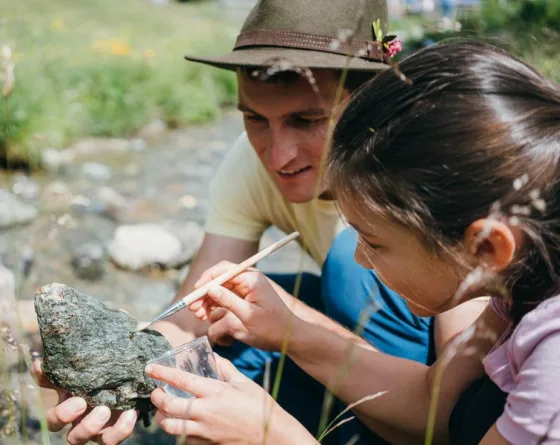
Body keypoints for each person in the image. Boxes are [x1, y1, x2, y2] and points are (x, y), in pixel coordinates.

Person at [31, 1, 487, 444]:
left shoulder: (434, 174)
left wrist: (293, 327)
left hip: (449, 401)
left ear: (371, 102)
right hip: (366, 343)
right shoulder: (251, 164)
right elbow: (189, 317)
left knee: (347, 272)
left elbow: (457, 410)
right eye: (255, 119)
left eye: (307, 120)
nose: (277, 155)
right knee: (227, 305)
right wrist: (120, 369)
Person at [147, 40, 560, 444]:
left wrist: (273, 433)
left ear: (486, 248)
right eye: (256, 119)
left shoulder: (553, 368)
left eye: (375, 243)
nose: (362, 256)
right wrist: (288, 329)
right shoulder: (517, 289)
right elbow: (432, 406)